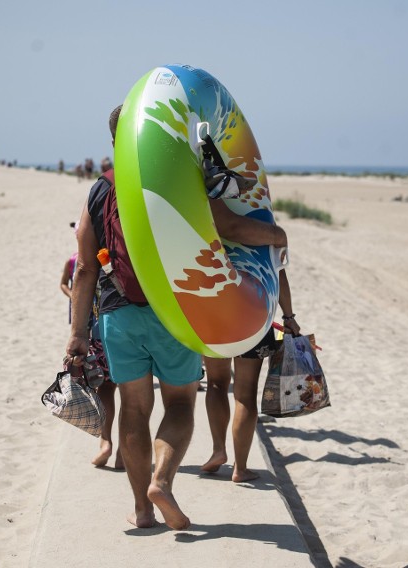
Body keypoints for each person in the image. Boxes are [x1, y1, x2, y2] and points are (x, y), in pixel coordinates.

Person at [65, 105, 286, 530]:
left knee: (133, 407)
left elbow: (85, 265)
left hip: (116, 314)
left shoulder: (99, 191)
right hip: (174, 312)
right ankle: (162, 483)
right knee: (181, 402)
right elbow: (230, 228)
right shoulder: (174, 180)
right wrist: (277, 236)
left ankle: (142, 509)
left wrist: (77, 331)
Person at [201, 270, 300, 482]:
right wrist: (288, 316)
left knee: (216, 384)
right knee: (245, 393)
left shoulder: (214, 235)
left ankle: (218, 450)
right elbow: (280, 273)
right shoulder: (270, 236)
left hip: (213, 310)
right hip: (255, 313)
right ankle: (241, 468)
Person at [60, 250, 123, 469]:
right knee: (135, 393)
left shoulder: (87, 257)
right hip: (132, 325)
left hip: (100, 331)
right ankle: (126, 449)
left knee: (105, 387)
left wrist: (79, 334)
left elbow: (83, 285)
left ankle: (105, 442)